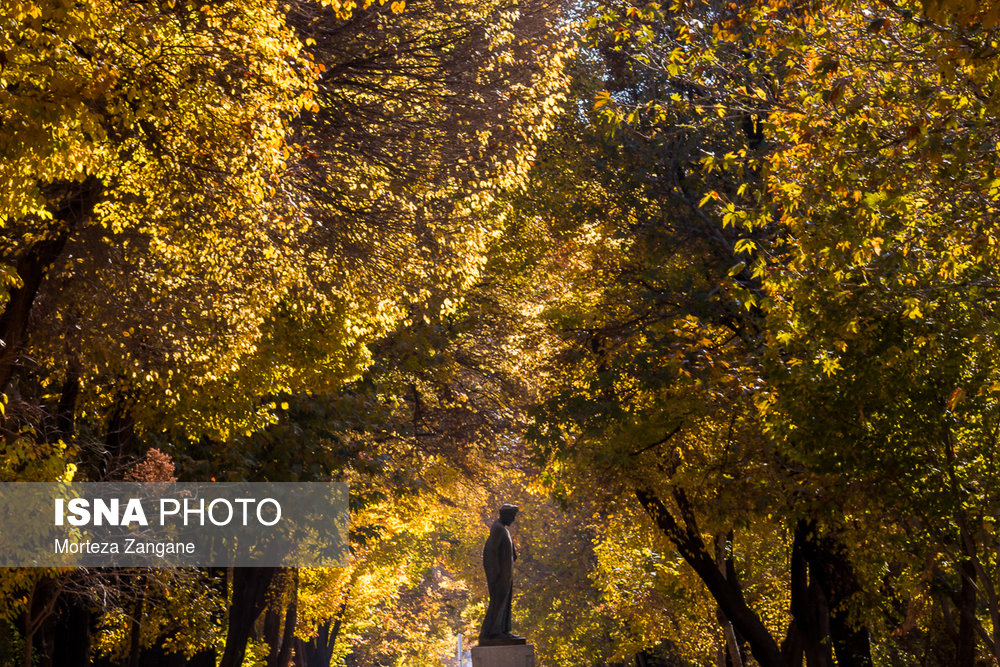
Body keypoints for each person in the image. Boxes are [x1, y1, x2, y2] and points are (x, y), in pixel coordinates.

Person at [478, 504, 525, 644]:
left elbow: (509, 551)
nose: (513, 520)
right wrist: (494, 573)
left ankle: (503, 630)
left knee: (504, 602)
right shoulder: (498, 528)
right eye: (512, 517)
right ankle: (492, 633)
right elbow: (490, 551)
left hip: (506, 574)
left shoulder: (503, 530)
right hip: (500, 575)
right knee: (498, 603)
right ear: (505, 515)